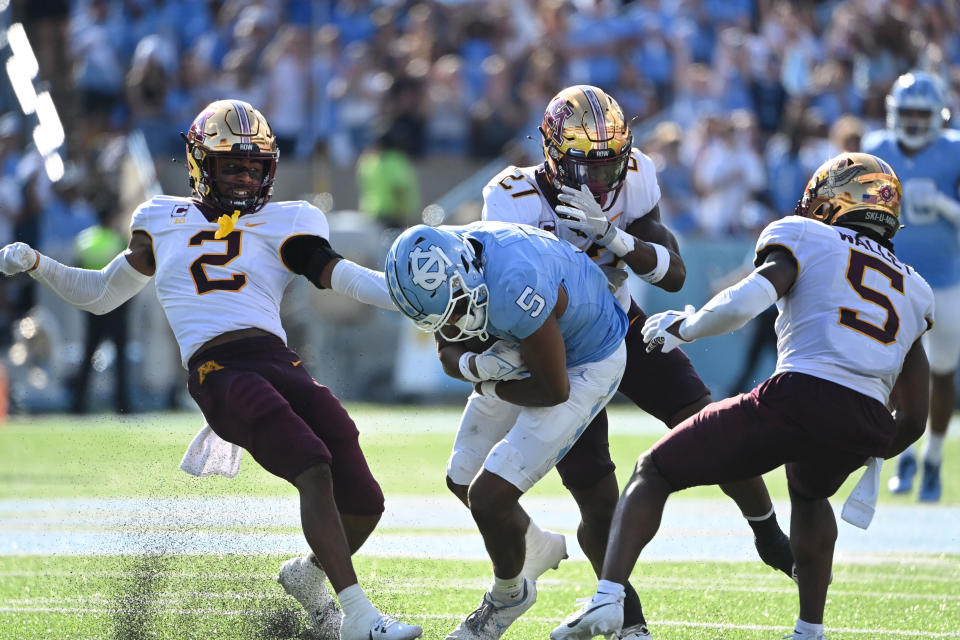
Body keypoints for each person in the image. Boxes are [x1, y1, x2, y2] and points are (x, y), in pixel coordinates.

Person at [0, 99, 422, 640]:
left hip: (279, 361)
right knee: (312, 464)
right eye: (232, 164)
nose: (245, 177)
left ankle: (308, 576)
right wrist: (40, 265)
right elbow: (102, 295)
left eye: (255, 166)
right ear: (201, 164)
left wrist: (409, 297)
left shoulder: (288, 219)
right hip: (217, 367)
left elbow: (340, 277)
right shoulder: (160, 218)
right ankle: (359, 618)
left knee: (365, 499)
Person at [551, 152, 933, 640]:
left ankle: (607, 600)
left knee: (654, 470)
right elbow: (915, 417)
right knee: (812, 494)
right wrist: (869, 445)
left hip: (801, 393)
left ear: (835, 196)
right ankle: (808, 631)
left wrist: (684, 326)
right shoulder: (914, 287)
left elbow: (748, 300)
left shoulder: (805, 233)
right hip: (867, 421)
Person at [480, 84, 791, 639]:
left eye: (610, 163)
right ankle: (631, 625)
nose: (601, 178)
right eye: (586, 164)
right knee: (595, 492)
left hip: (621, 321)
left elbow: (672, 273)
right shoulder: (509, 199)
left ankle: (766, 528)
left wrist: (615, 239)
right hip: (563, 346)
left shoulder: (639, 174)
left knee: (707, 421)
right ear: (551, 153)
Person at [384, 220, 630, 640]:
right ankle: (537, 545)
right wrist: (470, 365)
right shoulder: (454, 263)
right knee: (461, 476)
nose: (457, 321)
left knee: (489, 496)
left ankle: (507, 597)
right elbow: (447, 344)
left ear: (468, 272)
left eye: (460, 307)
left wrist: (487, 380)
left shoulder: (514, 284)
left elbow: (554, 389)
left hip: (585, 361)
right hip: (529, 338)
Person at [862, 70, 960, 502]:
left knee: (941, 372)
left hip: (945, 278)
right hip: (892, 278)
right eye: (909, 113)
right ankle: (899, 452)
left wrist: (944, 205)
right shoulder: (875, 148)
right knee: (889, 371)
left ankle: (934, 459)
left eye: (923, 113)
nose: (916, 122)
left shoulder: (955, 151)